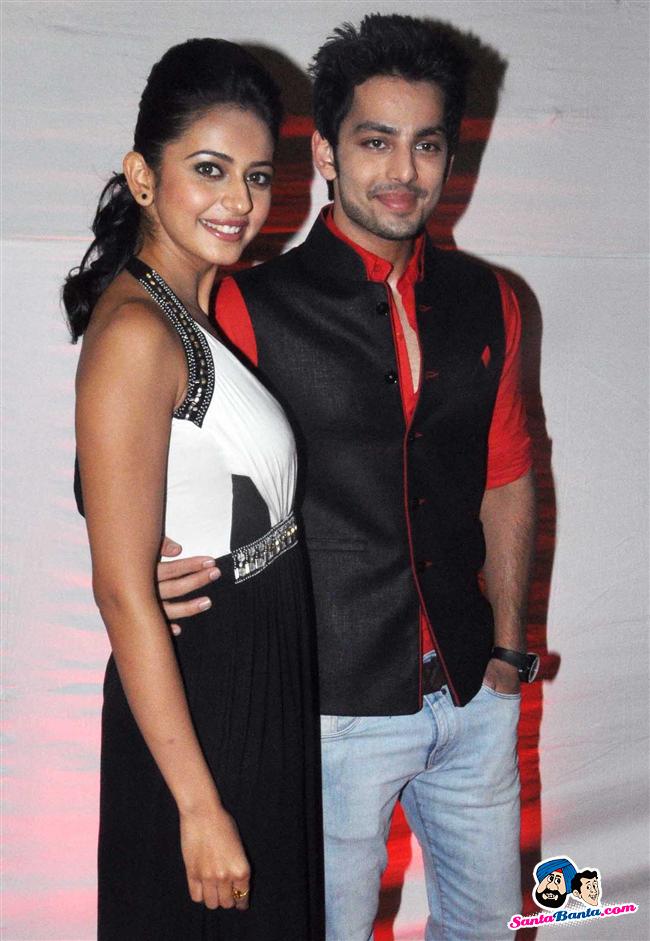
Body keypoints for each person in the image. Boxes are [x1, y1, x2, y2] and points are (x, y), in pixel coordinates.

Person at [159, 14, 537, 941]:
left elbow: (508, 476)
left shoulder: (491, 300)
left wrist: (506, 651)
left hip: (473, 697)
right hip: (329, 708)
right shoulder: (246, 303)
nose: (403, 170)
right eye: (375, 142)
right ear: (326, 152)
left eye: (427, 144)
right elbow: (128, 464)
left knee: (488, 928)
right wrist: (146, 560)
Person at [65, 38, 324, 941]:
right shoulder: (139, 332)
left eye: (257, 176)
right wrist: (199, 806)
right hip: (210, 703)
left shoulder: (184, 312)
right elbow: (119, 589)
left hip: (253, 677)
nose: (240, 202)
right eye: (209, 169)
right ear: (143, 176)